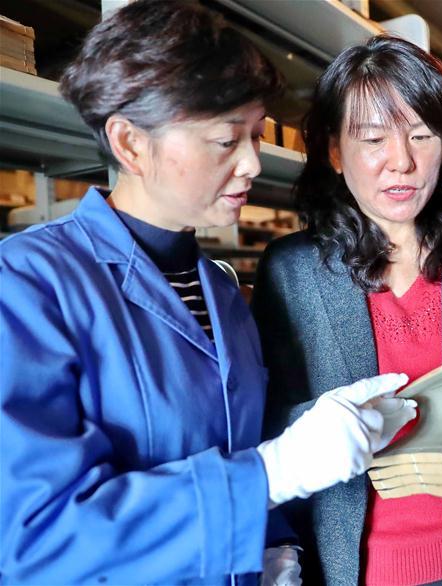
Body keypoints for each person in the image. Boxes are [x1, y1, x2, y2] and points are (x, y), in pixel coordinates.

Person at [0, 2, 415, 584]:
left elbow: (236, 445)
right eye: (226, 140)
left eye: (255, 134)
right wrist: (273, 473)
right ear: (130, 143)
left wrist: (276, 542)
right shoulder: (27, 285)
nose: (252, 163)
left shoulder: (219, 292)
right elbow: (38, 537)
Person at [253, 35, 442, 586]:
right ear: (335, 151)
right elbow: (264, 422)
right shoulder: (290, 272)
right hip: (352, 570)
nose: (401, 162)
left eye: (421, 135)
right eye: (373, 138)